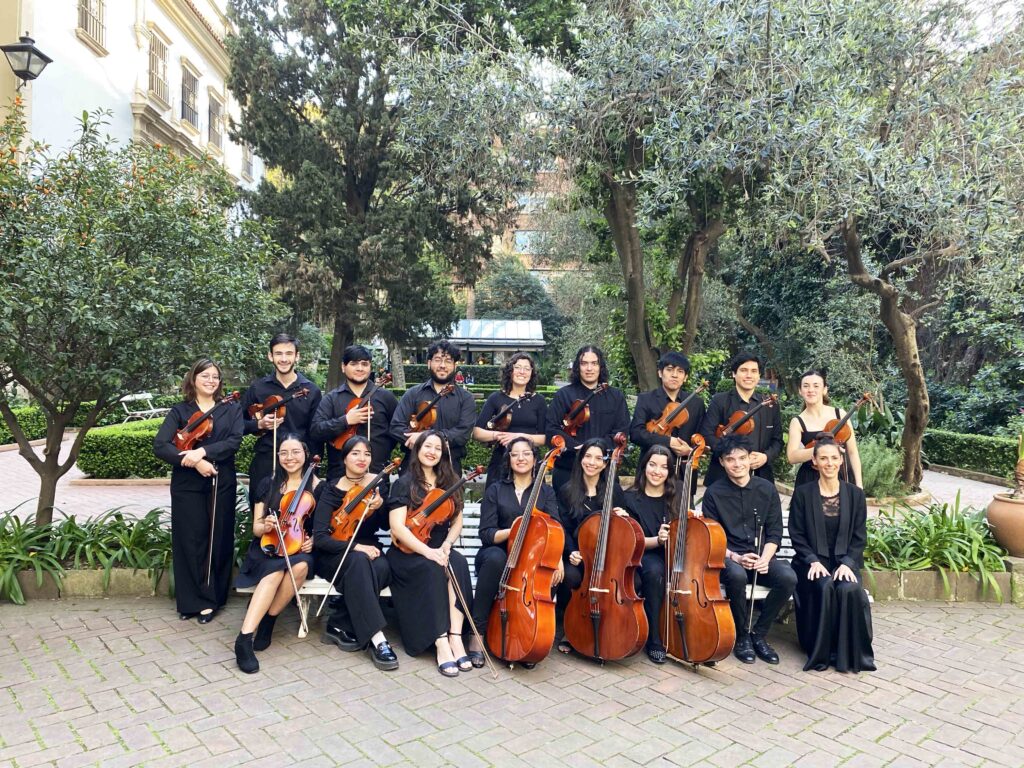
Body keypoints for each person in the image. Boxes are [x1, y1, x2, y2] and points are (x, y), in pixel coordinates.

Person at [154, 359, 243, 624]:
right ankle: (190, 600)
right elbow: (161, 445)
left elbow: (234, 441)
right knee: (189, 540)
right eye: (205, 375)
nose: (211, 380)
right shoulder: (180, 411)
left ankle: (212, 599)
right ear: (193, 379)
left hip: (220, 479)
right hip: (187, 483)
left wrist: (203, 452)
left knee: (218, 537)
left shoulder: (231, 409)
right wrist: (192, 461)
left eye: (215, 376)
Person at [386, 431, 476, 677]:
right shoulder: (404, 483)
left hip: (439, 548)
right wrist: (428, 552)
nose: (432, 451)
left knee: (457, 563)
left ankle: (455, 636)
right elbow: (398, 527)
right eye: (428, 446)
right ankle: (439, 642)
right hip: (408, 552)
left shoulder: (450, 481)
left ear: (443, 453)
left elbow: (456, 521)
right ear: (417, 449)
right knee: (432, 568)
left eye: (437, 448)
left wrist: (447, 544)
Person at [701, 435, 796, 665]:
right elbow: (712, 537)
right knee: (735, 574)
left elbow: (774, 531)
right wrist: (735, 556)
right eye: (730, 459)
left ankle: (759, 634)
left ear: (750, 459)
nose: (737, 464)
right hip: (730, 557)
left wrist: (765, 558)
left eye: (742, 458)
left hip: (761, 556)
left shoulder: (766, 489)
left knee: (787, 577)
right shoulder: (713, 493)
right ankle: (742, 636)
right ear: (722, 463)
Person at [468, 437, 563, 665]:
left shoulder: (545, 492)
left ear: (535, 458)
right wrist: (511, 531)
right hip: (496, 553)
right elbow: (486, 533)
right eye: (515, 454)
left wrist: (557, 558)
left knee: (547, 578)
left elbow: (555, 527)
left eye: (526, 453)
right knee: (495, 559)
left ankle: (529, 639)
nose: (521, 458)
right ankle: (476, 634)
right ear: (508, 459)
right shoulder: (496, 490)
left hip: (531, 559)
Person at [789, 437, 875, 673]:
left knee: (848, 588)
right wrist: (812, 560)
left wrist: (848, 563)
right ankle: (821, 653)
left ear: (841, 460)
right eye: (823, 458)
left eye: (834, 458)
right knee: (824, 585)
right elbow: (796, 533)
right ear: (814, 462)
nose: (829, 463)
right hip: (811, 562)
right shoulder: (803, 494)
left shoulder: (855, 495)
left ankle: (848, 654)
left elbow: (859, 536)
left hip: (844, 562)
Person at [312, 436, 399, 671]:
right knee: (361, 561)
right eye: (356, 453)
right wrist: (356, 547)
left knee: (382, 567)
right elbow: (320, 538)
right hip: (334, 553)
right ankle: (378, 639)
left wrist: (380, 508)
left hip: (367, 549)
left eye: (367, 454)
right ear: (344, 458)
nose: (362, 458)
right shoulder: (331, 489)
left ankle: (338, 623)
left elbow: (384, 527)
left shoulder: (377, 486)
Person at [233, 434, 318, 673]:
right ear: (277, 456)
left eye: (295, 452)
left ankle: (270, 619)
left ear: (305, 454)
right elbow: (256, 528)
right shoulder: (267, 484)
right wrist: (267, 525)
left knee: (300, 567)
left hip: (298, 547)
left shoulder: (317, 486)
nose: (289, 458)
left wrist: (313, 541)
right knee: (273, 574)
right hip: (269, 545)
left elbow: (321, 527)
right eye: (284, 453)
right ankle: (245, 638)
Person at [554, 437, 629, 655]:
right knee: (571, 577)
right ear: (580, 459)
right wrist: (570, 551)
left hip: (608, 557)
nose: (592, 462)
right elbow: (562, 527)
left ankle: (613, 626)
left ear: (606, 463)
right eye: (588, 456)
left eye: (598, 458)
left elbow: (624, 529)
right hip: (578, 555)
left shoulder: (613, 491)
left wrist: (623, 517)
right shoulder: (568, 491)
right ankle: (571, 627)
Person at [241, 333, 322, 509]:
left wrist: (314, 467)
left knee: (300, 516)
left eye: (288, 353)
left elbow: (315, 433)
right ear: (270, 356)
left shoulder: (311, 390)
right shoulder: (258, 388)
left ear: (297, 356)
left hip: (299, 462)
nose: (283, 359)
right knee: (261, 517)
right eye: (278, 353)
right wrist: (259, 424)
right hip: (265, 460)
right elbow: (237, 425)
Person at [546, 346, 630, 493]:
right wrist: (578, 447)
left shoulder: (616, 396)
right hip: (568, 470)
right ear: (578, 367)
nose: (589, 368)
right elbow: (551, 429)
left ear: (600, 366)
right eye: (584, 363)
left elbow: (621, 431)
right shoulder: (563, 395)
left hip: (603, 471)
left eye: (594, 363)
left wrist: (597, 450)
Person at [310, 344, 399, 482]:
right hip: (339, 477)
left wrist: (381, 452)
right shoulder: (332, 398)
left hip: (377, 475)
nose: (360, 368)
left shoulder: (385, 397)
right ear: (343, 367)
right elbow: (316, 431)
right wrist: (345, 421)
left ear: (370, 367)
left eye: (364, 364)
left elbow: (396, 431)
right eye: (354, 364)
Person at [390, 340, 477, 471]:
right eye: (437, 360)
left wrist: (424, 438)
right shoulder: (413, 394)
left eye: (448, 361)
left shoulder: (466, 398)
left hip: (449, 467)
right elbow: (396, 427)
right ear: (429, 363)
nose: (442, 365)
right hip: (413, 466)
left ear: (454, 366)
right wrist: (414, 437)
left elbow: (462, 434)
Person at [629, 351, 705, 501]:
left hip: (683, 472)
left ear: (685, 377)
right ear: (660, 373)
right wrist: (669, 442)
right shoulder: (646, 399)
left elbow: (702, 437)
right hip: (651, 472)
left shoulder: (696, 403)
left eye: (680, 371)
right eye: (669, 370)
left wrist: (690, 451)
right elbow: (636, 433)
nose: (674, 375)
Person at [624, 445, 676, 664]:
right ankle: (654, 639)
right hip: (644, 553)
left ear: (670, 471)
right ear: (644, 466)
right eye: (652, 465)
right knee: (655, 572)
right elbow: (629, 540)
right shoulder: (629, 498)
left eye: (664, 467)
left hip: (676, 553)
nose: (657, 471)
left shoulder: (678, 495)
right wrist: (657, 540)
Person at [700, 352, 783, 488]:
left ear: (758, 375)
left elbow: (778, 441)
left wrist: (765, 457)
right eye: (743, 370)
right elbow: (707, 435)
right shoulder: (720, 401)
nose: (749, 375)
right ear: (734, 373)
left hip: (760, 476)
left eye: (754, 371)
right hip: (723, 477)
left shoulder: (769, 405)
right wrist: (731, 457)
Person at [473, 353, 547, 488]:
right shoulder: (495, 398)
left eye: (527, 368)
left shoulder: (539, 401)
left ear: (532, 373)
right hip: (501, 460)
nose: (522, 372)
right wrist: (498, 435)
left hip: (529, 460)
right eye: (518, 367)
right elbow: (477, 432)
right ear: (510, 371)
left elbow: (544, 438)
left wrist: (519, 437)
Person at [787, 369, 863, 488]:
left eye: (816, 386)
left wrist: (859, 485)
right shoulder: (797, 422)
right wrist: (821, 449)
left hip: (840, 476)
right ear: (800, 391)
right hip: (810, 479)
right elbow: (792, 457)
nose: (811, 390)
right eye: (806, 386)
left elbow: (853, 452)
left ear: (824, 389)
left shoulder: (840, 415)